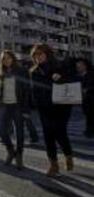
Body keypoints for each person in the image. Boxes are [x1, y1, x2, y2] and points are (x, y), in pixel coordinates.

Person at [29, 43, 74, 177]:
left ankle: (68, 156)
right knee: (48, 135)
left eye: (41, 54)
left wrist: (60, 78)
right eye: (35, 55)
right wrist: (35, 104)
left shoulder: (59, 66)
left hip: (61, 106)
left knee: (60, 133)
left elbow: (72, 79)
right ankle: (53, 165)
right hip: (44, 107)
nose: (38, 57)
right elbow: (34, 89)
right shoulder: (34, 71)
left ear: (47, 54)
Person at [0, 50, 29, 169]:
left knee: (19, 133)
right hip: (4, 106)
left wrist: (26, 110)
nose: (6, 60)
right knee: (1, 131)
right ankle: (11, 151)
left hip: (18, 105)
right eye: (4, 59)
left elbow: (27, 91)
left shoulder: (22, 72)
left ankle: (19, 156)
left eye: (8, 58)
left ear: (13, 58)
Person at [75, 58, 94, 138]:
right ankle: (89, 131)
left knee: (91, 116)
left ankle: (89, 131)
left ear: (85, 66)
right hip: (85, 100)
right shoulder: (77, 76)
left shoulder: (91, 74)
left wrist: (87, 89)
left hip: (92, 99)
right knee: (88, 116)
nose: (78, 68)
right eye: (77, 66)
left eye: (80, 66)